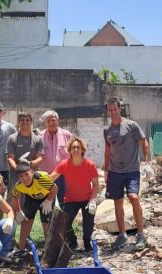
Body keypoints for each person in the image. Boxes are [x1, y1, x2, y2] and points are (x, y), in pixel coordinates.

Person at [103, 97, 151, 252]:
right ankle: (122, 235)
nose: (113, 112)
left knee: (133, 197)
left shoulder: (131, 125)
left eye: (115, 109)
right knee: (117, 202)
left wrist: (147, 162)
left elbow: (144, 142)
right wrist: (105, 171)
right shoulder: (107, 131)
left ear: (120, 109)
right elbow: (108, 151)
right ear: (107, 111)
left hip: (131, 170)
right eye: (110, 110)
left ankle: (141, 234)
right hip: (115, 172)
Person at [51, 137, 99, 253]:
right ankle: (73, 241)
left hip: (87, 199)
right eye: (73, 147)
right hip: (71, 199)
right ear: (70, 150)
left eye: (78, 147)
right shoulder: (64, 164)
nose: (76, 149)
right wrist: (37, 176)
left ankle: (86, 242)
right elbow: (51, 177)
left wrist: (93, 200)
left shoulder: (90, 165)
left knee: (88, 225)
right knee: (64, 223)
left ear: (82, 149)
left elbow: (96, 184)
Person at [11, 162, 58, 251]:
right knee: (26, 221)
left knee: (46, 223)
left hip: (47, 197)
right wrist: (18, 211)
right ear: (18, 178)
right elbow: (14, 197)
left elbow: (55, 188)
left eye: (26, 174)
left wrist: (48, 201)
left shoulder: (42, 179)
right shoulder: (19, 186)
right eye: (21, 176)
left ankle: (49, 250)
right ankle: (21, 249)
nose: (24, 178)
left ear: (32, 172)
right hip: (31, 198)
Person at [6, 112, 44, 202]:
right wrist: (19, 170)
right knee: (14, 203)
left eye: (27, 120)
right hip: (15, 176)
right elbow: (10, 158)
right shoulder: (12, 138)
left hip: (32, 177)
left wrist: (29, 166)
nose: (25, 122)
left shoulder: (38, 139)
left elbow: (40, 158)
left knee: (29, 207)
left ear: (31, 122)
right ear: (19, 122)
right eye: (22, 120)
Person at [38, 109, 72, 206]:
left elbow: (73, 155)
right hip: (45, 175)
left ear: (58, 120)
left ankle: (62, 221)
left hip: (63, 175)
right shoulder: (39, 136)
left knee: (63, 202)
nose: (51, 123)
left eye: (53, 120)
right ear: (45, 123)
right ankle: (48, 221)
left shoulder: (67, 135)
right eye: (48, 121)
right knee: (46, 203)